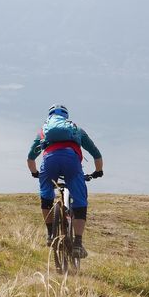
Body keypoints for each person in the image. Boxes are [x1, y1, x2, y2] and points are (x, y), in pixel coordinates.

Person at [26, 104, 103, 258]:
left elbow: (30, 158)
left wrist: (35, 173)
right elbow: (96, 154)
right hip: (71, 161)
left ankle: (50, 235)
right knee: (80, 199)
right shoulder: (76, 130)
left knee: (46, 194)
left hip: (49, 161)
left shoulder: (43, 132)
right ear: (66, 117)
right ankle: (78, 244)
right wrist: (98, 171)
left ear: (49, 117)